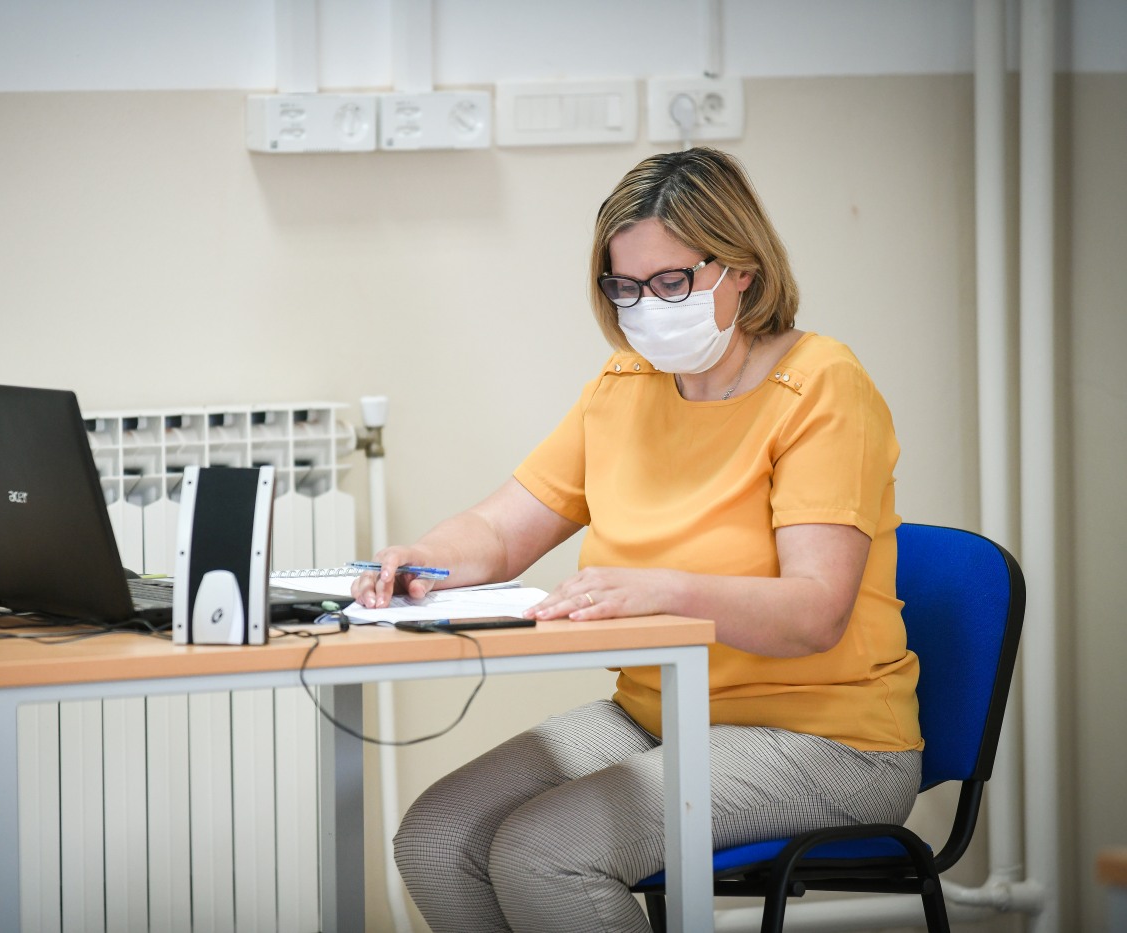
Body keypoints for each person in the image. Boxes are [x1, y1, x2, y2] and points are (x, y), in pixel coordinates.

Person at [350, 148, 923, 933]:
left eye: (671, 282)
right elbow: (500, 529)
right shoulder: (624, 386)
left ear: (741, 268)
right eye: (625, 287)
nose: (647, 307)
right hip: (660, 713)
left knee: (543, 853)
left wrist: (663, 590)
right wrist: (425, 557)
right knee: (438, 839)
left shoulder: (822, 385)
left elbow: (816, 611)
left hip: (827, 738)